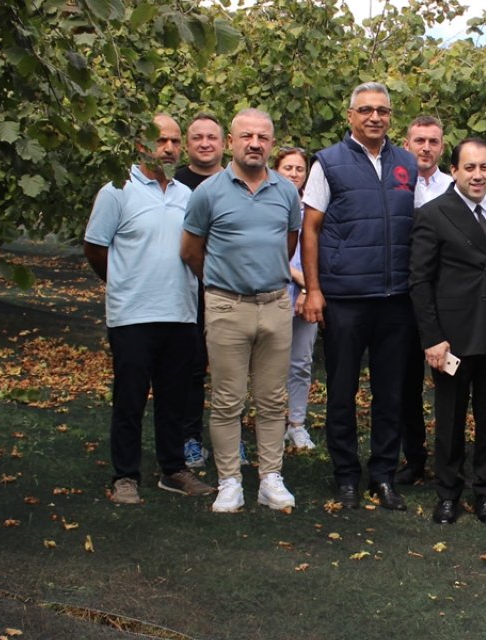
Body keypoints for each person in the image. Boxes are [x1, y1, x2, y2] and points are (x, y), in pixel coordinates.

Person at [299, 82, 419, 511]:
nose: (375, 117)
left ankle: (383, 476)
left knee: (390, 394)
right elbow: (309, 228)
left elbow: (417, 225)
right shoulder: (328, 163)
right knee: (341, 391)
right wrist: (314, 289)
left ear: (391, 116)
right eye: (365, 110)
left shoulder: (408, 163)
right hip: (346, 299)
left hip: (396, 300)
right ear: (350, 115)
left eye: (382, 110)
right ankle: (346, 476)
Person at [83, 113, 214, 504]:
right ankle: (125, 476)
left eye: (175, 141)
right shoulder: (117, 191)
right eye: (161, 141)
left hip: (180, 312)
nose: (169, 148)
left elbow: (195, 250)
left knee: (175, 399)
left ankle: (173, 470)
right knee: (130, 399)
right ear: (141, 144)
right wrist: (123, 281)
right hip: (133, 315)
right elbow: (95, 247)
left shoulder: (186, 196)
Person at [181, 108, 302, 513]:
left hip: (274, 305)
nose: (255, 143)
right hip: (227, 306)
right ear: (231, 142)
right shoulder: (209, 192)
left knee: (271, 399)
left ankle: (270, 478)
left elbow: (287, 246)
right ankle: (229, 481)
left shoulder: (286, 191)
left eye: (263, 137)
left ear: (271, 142)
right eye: (246, 136)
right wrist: (223, 284)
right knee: (228, 401)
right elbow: (190, 251)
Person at [409, 137, 486, 525]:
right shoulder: (434, 214)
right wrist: (432, 338)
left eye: (484, 167)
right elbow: (420, 282)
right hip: (451, 339)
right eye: (469, 167)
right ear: (454, 170)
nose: (477, 175)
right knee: (451, 419)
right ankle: (448, 493)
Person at [394, 115, 451, 484]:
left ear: (442, 146)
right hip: (402, 296)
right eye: (419, 141)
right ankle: (414, 457)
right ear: (407, 143)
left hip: (446, 298)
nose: (426, 148)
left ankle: (450, 459)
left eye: (433, 141)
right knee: (405, 383)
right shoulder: (396, 184)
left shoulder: (454, 186)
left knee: (449, 380)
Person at [174, 113, 227, 469]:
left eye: (212, 137)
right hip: (184, 291)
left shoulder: (237, 181)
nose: (205, 143)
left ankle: (229, 442)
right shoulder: (175, 185)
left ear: (224, 143)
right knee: (190, 367)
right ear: (186, 145)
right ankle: (189, 437)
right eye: (197, 137)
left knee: (231, 368)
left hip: (231, 291)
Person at [274, 146, 317, 451]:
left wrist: (307, 290)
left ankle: (297, 424)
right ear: (277, 170)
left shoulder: (312, 209)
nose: (294, 174)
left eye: (299, 169)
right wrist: (303, 283)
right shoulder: (267, 205)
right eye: (288, 167)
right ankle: (272, 423)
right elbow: (272, 253)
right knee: (270, 365)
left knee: (301, 362)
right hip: (275, 295)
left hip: (305, 297)